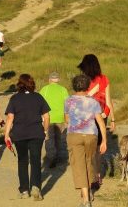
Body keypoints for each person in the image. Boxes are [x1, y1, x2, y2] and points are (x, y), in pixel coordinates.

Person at [4, 74, 51, 200]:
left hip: (19, 134)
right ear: (32, 83)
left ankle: (24, 190)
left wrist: (7, 134)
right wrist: (45, 131)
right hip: (36, 133)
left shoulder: (14, 98)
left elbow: (10, 117)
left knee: (22, 161)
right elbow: (46, 117)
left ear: (19, 84)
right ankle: (36, 187)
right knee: (36, 160)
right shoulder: (38, 97)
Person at [65, 74, 107, 207]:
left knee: (79, 165)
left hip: (74, 135)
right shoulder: (93, 102)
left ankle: (86, 199)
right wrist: (104, 140)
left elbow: (66, 120)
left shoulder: (68, 101)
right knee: (89, 163)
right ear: (88, 86)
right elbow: (100, 122)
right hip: (91, 136)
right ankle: (89, 192)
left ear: (74, 86)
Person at [77, 54, 115, 189]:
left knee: (88, 147)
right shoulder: (104, 79)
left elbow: (79, 100)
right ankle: (97, 175)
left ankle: (90, 175)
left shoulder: (82, 80)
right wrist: (111, 117)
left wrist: (91, 92)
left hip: (86, 118)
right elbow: (109, 101)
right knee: (98, 147)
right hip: (101, 117)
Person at [39, 72, 70, 168]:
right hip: (61, 118)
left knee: (49, 139)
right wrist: (67, 118)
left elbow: (39, 104)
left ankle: (52, 158)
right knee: (60, 138)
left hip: (48, 118)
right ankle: (59, 157)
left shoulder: (44, 89)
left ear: (49, 80)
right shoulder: (63, 89)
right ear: (58, 80)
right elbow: (67, 105)